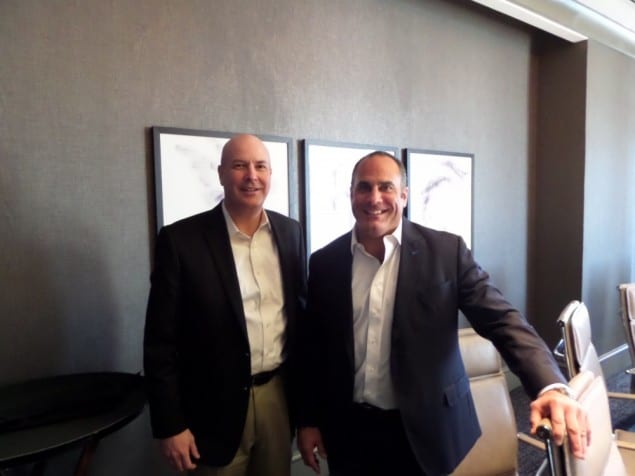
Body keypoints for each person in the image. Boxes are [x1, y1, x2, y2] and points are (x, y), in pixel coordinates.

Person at [296, 151, 589, 476]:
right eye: (364, 187)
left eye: (386, 187)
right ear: (351, 194)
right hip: (351, 431)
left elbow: (503, 321)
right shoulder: (325, 263)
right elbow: (314, 350)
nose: (374, 198)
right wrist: (308, 420)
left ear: (404, 195)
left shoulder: (446, 253)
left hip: (426, 430)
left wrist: (550, 386)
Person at [144, 134, 307, 476]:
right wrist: (170, 425)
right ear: (221, 174)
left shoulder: (290, 233)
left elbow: (301, 327)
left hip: (277, 398)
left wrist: (308, 414)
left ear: (270, 174)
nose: (252, 175)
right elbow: (159, 343)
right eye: (239, 166)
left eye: (260, 166)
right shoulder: (180, 241)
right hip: (210, 408)